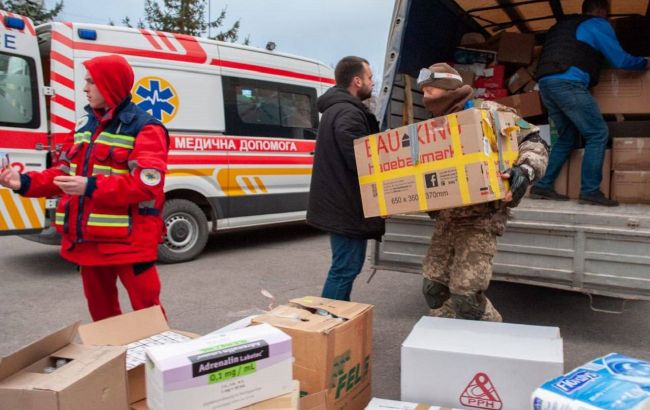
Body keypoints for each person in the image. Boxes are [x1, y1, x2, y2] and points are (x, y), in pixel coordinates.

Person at [0, 54, 169, 321]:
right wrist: (24, 182)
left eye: (91, 82)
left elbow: (146, 187)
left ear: (110, 84)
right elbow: (64, 173)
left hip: (130, 243)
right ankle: (111, 361)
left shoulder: (146, 129)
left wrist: (89, 186)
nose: (85, 88)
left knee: (147, 315)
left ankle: (156, 362)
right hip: (90, 242)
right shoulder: (84, 125)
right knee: (103, 318)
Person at [418, 63, 549, 321]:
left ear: (448, 90)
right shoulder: (431, 128)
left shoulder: (489, 113)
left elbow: (535, 141)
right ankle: (444, 343)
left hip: (480, 219)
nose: (425, 98)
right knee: (433, 290)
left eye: (430, 90)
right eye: (423, 92)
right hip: (446, 219)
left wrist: (524, 171)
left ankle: (493, 343)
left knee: (467, 298)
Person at [530, 0, 650, 206]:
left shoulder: (561, 26)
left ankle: (542, 185)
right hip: (568, 83)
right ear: (602, 11)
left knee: (567, 137)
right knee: (597, 133)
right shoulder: (597, 24)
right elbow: (620, 60)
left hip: (546, 84)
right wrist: (645, 62)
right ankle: (590, 191)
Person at [306, 56, 385, 301]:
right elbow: (361, 161)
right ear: (357, 80)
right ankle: (328, 324)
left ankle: (336, 324)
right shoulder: (349, 113)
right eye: (370, 77)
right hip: (346, 206)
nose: (373, 83)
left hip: (341, 204)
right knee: (345, 269)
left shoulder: (337, 109)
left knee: (345, 268)